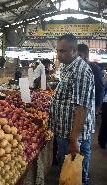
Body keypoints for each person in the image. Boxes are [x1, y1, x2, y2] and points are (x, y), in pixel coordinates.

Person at [48, 34, 95, 185]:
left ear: (74, 50)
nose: (59, 55)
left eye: (63, 51)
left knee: (76, 176)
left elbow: (82, 107)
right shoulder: (68, 67)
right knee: (67, 174)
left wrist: (74, 139)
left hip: (73, 136)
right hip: (65, 132)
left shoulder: (80, 71)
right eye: (57, 51)